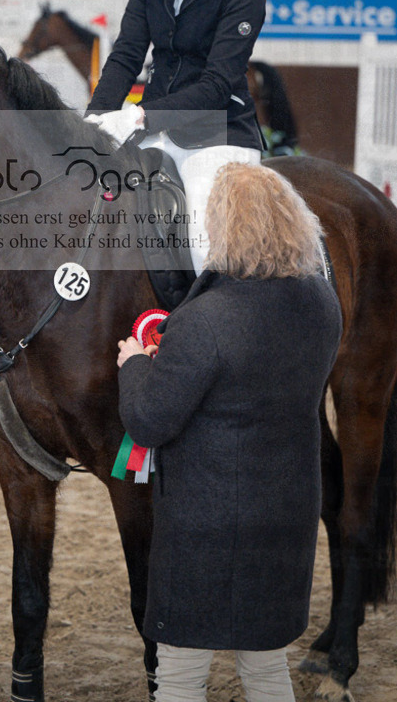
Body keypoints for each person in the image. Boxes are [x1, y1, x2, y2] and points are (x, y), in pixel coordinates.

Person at [116, 163, 343, 702]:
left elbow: (149, 419)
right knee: (266, 668)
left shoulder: (203, 321)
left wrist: (134, 364)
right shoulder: (323, 305)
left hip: (206, 525)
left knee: (179, 672)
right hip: (286, 515)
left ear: (221, 227)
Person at [85, 0, 266, 274]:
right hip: (153, 126)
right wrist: (96, 118)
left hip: (216, 132)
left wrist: (141, 117)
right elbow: (128, 53)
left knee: (205, 244)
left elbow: (218, 83)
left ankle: (212, 326)